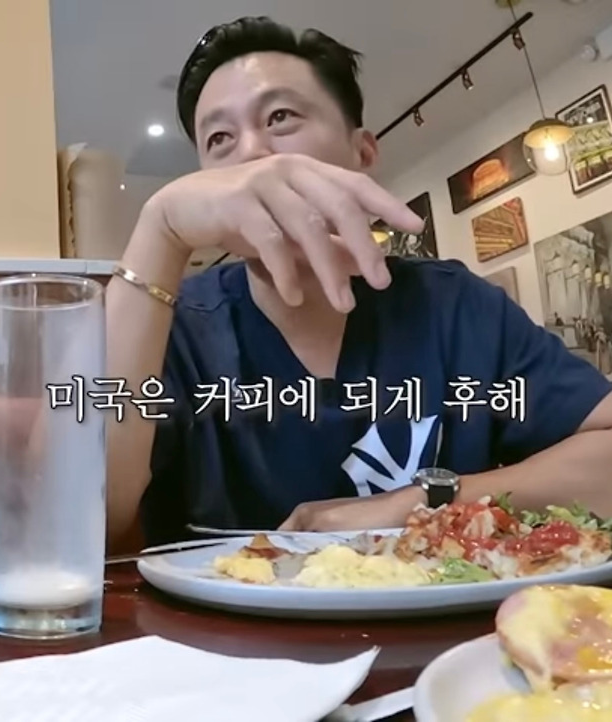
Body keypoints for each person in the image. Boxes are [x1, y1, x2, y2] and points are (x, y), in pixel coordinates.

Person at [105, 16, 612, 544]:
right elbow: (90, 520)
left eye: (280, 117)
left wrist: (430, 501)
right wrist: (160, 230)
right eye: (219, 139)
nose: (251, 156)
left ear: (362, 154)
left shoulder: (456, 308)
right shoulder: (172, 329)